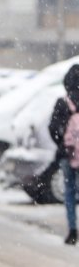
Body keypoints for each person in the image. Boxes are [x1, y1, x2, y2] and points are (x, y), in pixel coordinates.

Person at [48, 63, 79, 245]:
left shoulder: (63, 103)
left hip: (68, 155)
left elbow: (53, 128)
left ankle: (73, 230)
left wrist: (63, 145)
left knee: (69, 191)